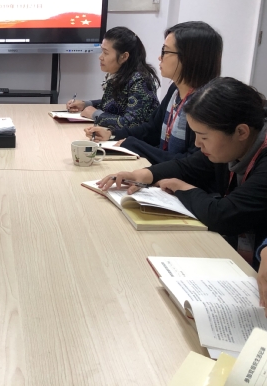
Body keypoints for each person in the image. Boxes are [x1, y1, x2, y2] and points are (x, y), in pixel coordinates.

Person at [99, 77, 267, 268]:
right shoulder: (231, 146)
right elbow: (188, 166)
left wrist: (181, 188)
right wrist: (143, 175)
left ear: (241, 132)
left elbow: (223, 215)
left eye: (204, 137)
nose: (197, 143)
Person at [84, 21, 222, 164]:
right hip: (162, 169)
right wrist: (112, 133)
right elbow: (152, 129)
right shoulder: (175, 90)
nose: (159, 57)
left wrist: (134, 145)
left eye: (165, 51)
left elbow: (192, 164)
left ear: (189, 57)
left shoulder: (206, 105)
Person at [66, 26, 160, 129]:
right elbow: (113, 103)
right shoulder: (119, 74)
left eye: (106, 53)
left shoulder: (140, 81)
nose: (100, 57)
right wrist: (86, 104)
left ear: (124, 56)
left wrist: (95, 114)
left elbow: (132, 123)